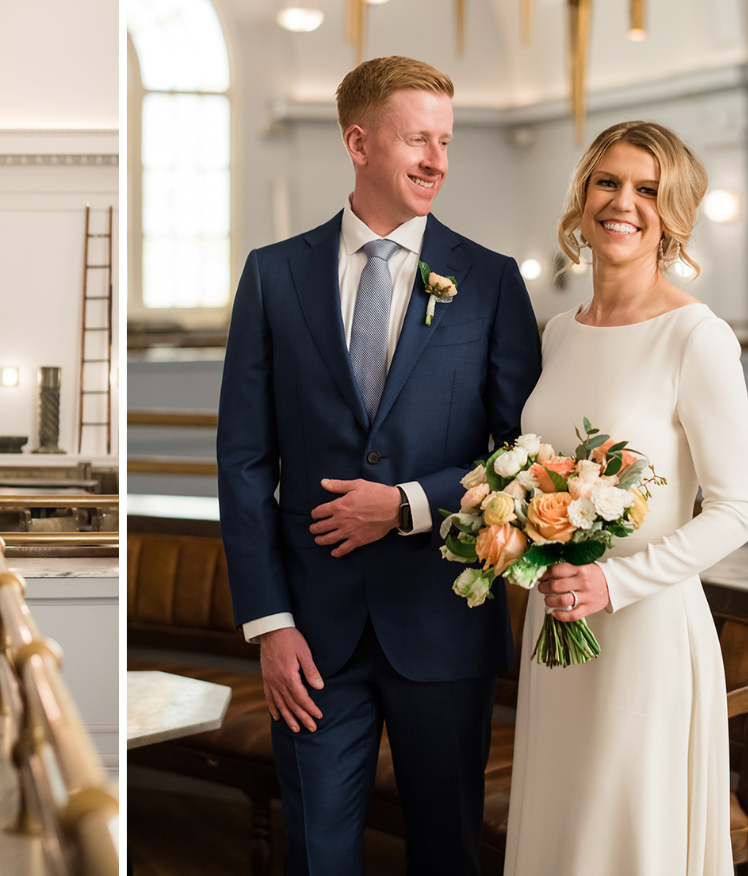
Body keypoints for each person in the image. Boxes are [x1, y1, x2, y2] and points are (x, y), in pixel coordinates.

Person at [217, 55, 542, 875]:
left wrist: (405, 504)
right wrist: (270, 623)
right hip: (311, 634)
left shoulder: (492, 281)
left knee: (445, 854)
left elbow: (520, 454)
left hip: (442, 621)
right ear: (358, 142)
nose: (435, 159)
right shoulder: (273, 274)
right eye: (416, 139)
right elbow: (246, 461)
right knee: (316, 854)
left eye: (445, 140)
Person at [503, 121, 748, 875]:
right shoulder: (557, 333)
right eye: (608, 182)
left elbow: (736, 509)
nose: (624, 203)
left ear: (672, 217)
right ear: (582, 198)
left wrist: (613, 581)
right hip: (556, 631)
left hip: (644, 635)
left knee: (624, 837)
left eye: (649, 191)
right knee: (559, 828)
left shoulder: (696, 337)